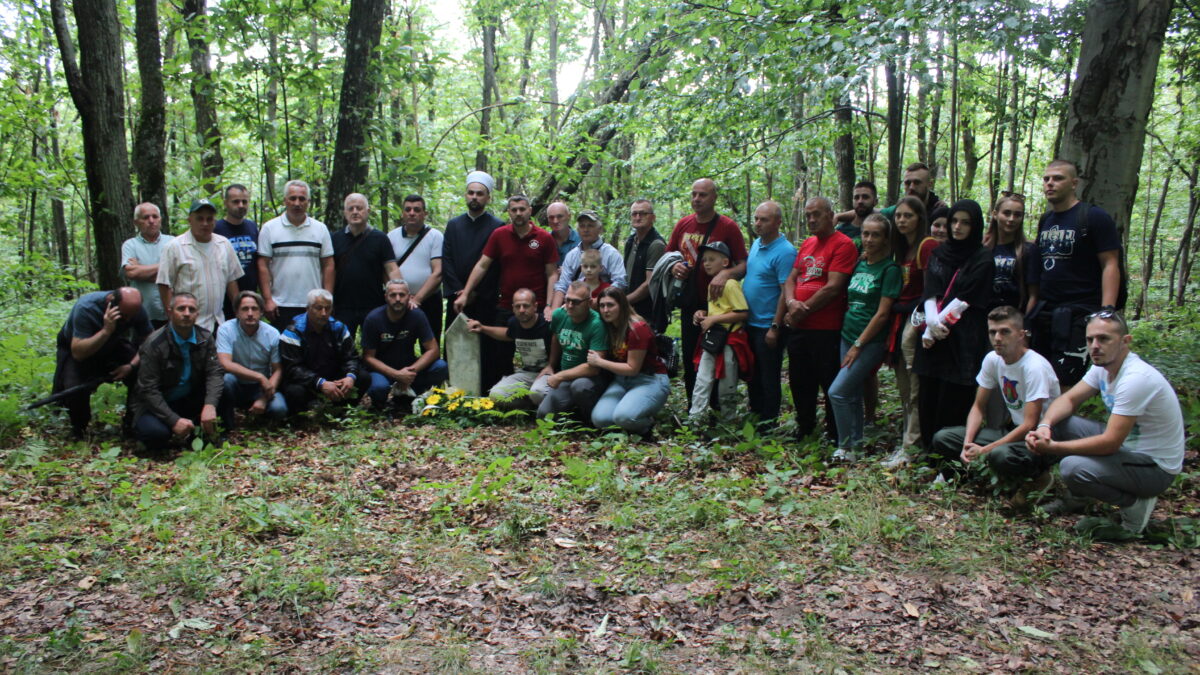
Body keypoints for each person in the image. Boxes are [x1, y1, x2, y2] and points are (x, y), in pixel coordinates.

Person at [1026, 310, 1184, 540]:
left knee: (1072, 467)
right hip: (1129, 448)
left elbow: (1110, 443)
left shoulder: (1135, 378)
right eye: (1090, 339)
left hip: (1155, 467)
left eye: (1104, 339)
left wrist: (1053, 448)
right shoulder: (1102, 367)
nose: (1095, 346)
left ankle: (1135, 503)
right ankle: (1078, 498)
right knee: (1059, 423)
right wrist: (1045, 425)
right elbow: (1069, 399)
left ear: (1125, 341)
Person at [931, 306, 1059, 503]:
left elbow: (1030, 424)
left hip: (1040, 439)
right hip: (1013, 432)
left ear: (1021, 335)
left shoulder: (1034, 367)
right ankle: (971, 475)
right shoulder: (993, 359)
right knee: (944, 437)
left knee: (999, 455)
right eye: (993, 332)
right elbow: (978, 407)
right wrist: (967, 442)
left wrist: (984, 450)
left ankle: (1038, 476)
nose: (997, 338)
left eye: (1005, 332)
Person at [913, 199, 995, 467]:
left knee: (954, 399)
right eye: (954, 221)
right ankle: (928, 454)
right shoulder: (939, 253)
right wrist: (932, 322)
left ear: (976, 226)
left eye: (966, 222)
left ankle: (950, 461)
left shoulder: (982, 258)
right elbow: (931, 290)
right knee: (928, 397)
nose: (958, 227)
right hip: (933, 338)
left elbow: (967, 297)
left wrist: (939, 326)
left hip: (963, 339)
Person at [1028, 159, 1123, 386]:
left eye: (1058, 178)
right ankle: (1036, 422)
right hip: (1046, 312)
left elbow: (1110, 264)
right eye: (1047, 179)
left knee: (1066, 380)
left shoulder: (1093, 217)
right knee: (1039, 377)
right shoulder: (1046, 220)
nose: (1050, 183)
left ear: (1074, 183)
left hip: (1080, 313)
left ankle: (1059, 422)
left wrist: (1106, 313)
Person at [456, 195, 558, 387]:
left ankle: (540, 394)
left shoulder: (543, 238)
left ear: (530, 210)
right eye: (514, 210)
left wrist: (550, 306)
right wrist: (466, 293)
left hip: (537, 307)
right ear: (508, 212)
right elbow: (482, 265)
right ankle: (505, 397)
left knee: (540, 355)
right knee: (501, 355)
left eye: (522, 209)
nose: (518, 213)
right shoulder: (499, 235)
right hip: (506, 305)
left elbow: (552, 274)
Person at [666, 178, 748, 404]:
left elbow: (743, 263)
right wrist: (674, 267)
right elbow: (669, 256)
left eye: (702, 195)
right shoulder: (683, 224)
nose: (696, 199)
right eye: (694, 194)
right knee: (692, 355)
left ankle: (718, 407)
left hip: (718, 305)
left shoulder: (728, 227)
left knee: (717, 356)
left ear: (714, 198)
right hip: (690, 302)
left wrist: (726, 273)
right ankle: (695, 407)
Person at [784, 196, 858, 441]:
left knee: (828, 381)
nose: (811, 219)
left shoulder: (843, 244)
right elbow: (792, 279)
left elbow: (833, 287)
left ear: (830, 214)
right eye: (807, 215)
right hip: (799, 327)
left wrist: (801, 308)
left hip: (826, 329)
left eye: (816, 214)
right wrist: (792, 302)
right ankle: (805, 427)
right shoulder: (807, 244)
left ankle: (835, 432)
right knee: (799, 380)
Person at [828, 215, 901, 461]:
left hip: (869, 342)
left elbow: (882, 314)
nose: (868, 239)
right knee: (852, 394)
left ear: (885, 239)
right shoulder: (860, 264)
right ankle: (856, 448)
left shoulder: (890, 270)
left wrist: (859, 345)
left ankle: (844, 446)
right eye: (866, 234)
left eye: (875, 234)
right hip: (846, 336)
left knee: (837, 392)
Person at [882, 196, 940, 468]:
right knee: (905, 390)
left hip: (916, 325)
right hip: (899, 322)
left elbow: (931, 290)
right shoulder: (901, 250)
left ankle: (912, 447)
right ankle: (906, 442)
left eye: (908, 216)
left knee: (916, 390)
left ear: (920, 218)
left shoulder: (926, 246)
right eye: (899, 216)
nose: (902, 220)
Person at [130, 293, 227, 452]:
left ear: (197, 313)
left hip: (187, 398)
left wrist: (210, 405)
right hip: (156, 404)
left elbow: (214, 372)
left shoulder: (204, 337)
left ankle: (212, 434)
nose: (187, 313)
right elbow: (148, 389)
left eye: (191, 309)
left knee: (225, 390)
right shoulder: (154, 344)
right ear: (170, 312)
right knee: (157, 434)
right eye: (181, 308)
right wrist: (173, 420)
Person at [52, 287, 153, 438]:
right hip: (80, 348)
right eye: (123, 315)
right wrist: (106, 330)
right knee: (74, 388)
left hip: (112, 344)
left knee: (143, 373)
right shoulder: (86, 308)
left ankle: (132, 424)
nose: (127, 320)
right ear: (110, 302)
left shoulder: (135, 310)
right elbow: (78, 353)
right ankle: (80, 430)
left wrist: (131, 366)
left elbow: (149, 342)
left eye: (131, 316)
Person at [441, 171, 506, 392]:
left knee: (486, 346)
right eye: (471, 193)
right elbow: (446, 261)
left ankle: (487, 390)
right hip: (458, 300)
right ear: (465, 195)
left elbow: (494, 265)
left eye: (480, 193)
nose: (474, 197)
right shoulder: (453, 225)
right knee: (455, 344)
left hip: (484, 300)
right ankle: (454, 390)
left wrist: (477, 292)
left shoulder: (498, 226)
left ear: (488, 197)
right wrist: (460, 292)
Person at [589, 287, 670, 436]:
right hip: (621, 380)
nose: (606, 310)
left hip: (649, 380)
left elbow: (633, 368)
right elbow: (586, 310)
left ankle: (648, 426)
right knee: (600, 419)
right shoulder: (608, 324)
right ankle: (627, 424)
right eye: (602, 305)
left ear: (622, 305)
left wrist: (599, 362)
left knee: (624, 417)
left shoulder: (637, 328)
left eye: (611, 305)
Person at [742, 200, 796, 426]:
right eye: (756, 218)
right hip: (750, 323)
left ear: (778, 222)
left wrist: (775, 326)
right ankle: (756, 413)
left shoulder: (785, 251)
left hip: (768, 325)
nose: (758, 223)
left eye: (764, 219)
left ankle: (769, 422)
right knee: (752, 374)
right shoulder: (756, 244)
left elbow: (786, 291)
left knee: (769, 376)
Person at [156, 199, 244, 332]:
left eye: (209, 219)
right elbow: (164, 284)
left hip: (218, 322)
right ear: (190, 220)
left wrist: (239, 310)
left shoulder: (224, 244)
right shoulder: (174, 247)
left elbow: (231, 280)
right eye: (200, 219)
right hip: (187, 322)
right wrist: (172, 315)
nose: (205, 223)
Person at [688, 241, 751, 425]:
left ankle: (728, 421)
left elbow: (742, 313)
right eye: (704, 260)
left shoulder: (730, 284)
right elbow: (718, 310)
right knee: (702, 378)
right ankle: (695, 419)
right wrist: (703, 314)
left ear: (725, 262)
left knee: (727, 382)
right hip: (713, 340)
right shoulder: (712, 284)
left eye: (711, 259)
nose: (706, 263)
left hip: (729, 341)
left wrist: (713, 320)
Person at [361, 280, 448, 413]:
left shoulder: (417, 315)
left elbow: (433, 350)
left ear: (409, 296)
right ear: (386, 297)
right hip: (382, 370)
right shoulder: (373, 319)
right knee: (379, 387)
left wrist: (409, 373)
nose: (397, 299)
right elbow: (368, 357)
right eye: (393, 295)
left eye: (402, 295)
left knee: (440, 366)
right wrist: (396, 374)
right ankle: (379, 406)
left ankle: (410, 399)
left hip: (409, 366)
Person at [257, 180, 335, 327]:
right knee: (284, 347)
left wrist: (327, 298)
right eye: (292, 198)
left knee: (313, 348)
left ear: (308, 202)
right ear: (285, 201)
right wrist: (267, 299)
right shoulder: (269, 228)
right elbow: (263, 265)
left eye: (302, 199)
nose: (297, 203)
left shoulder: (320, 229)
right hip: (280, 304)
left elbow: (328, 264)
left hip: (314, 304)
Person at [279, 289, 366, 413]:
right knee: (295, 392)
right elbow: (292, 368)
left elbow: (351, 357)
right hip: (307, 382)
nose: (324, 313)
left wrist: (350, 376)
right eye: (318, 308)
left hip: (333, 376)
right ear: (308, 309)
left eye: (328, 308)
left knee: (363, 377)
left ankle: (342, 410)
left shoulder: (338, 327)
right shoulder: (293, 332)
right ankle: (300, 419)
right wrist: (320, 383)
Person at [468, 288, 552, 410]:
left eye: (526, 306)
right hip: (524, 374)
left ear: (535, 306)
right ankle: (528, 408)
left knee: (537, 393)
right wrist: (483, 328)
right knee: (496, 395)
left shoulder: (546, 323)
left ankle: (545, 409)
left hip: (546, 374)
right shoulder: (514, 323)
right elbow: (507, 334)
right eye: (517, 306)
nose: (521, 310)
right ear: (512, 308)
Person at [331, 193, 401, 339]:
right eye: (351, 208)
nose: (355, 212)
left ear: (367, 211)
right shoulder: (335, 239)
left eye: (359, 208)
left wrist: (399, 293)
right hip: (343, 305)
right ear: (345, 213)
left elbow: (391, 268)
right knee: (341, 346)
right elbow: (329, 270)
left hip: (373, 305)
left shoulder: (380, 238)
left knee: (374, 347)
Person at [537, 281, 609, 423]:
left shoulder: (597, 324)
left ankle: (591, 422)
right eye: (567, 300)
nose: (570, 306)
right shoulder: (559, 315)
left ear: (588, 303)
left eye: (575, 302)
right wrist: (551, 365)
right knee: (543, 415)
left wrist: (560, 376)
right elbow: (556, 338)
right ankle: (575, 414)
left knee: (580, 387)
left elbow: (594, 368)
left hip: (590, 379)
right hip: (567, 377)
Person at [216, 291, 287, 426]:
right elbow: (225, 363)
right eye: (245, 309)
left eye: (254, 309)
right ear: (237, 312)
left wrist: (264, 399)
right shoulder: (225, 329)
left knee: (279, 409)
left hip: (261, 388)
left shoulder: (272, 333)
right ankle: (227, 425)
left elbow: (278, 370)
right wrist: (259, 376)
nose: (250, 313)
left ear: (261, 312)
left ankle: (258, 416)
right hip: (236, 384)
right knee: (225, 381)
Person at [387, 194, 444, 344]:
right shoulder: (391, 237)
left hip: (429, 300)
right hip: (398, 301)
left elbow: (438, 272)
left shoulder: (435, 236)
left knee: (431, 342)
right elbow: (386, 270)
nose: (412, 213)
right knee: (400, 344)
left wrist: (417, 299)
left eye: (417, 210)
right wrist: (403, 297)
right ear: (402, 213)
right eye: (408, 209)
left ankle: (432, 367)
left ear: (425, 214)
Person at [550, 210, 626, 317]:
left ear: (599, 229)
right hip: (574, 307)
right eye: (582, 226)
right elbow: (562, 285)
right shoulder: (572, 255)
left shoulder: (610, 254)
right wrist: (554, 312)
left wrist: (598, 301)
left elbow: (620, 282)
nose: (585, 230)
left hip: (603, 310)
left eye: (590, 226)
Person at [121, 203, 174, 327]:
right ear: (136, 222)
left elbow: (178, 273)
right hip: (143, 313)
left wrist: (141, 269)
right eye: (145, 217)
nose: (151, 221)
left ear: (160, 219)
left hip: (171, 311)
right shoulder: (130, 245)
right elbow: (131, 273)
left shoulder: (173, 242)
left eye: (155, 217)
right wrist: (165, 265)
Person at [985, 192, 1037, 311]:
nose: (1011, 219)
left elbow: (1033, 295)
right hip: (984, 318)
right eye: (1006, 213)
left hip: (1015, 318)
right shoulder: (982, 249)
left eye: (1017, 215)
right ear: (995, 214)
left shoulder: (1028, 250)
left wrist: (1026, 324)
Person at [214, 184, 260, 318]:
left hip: (250, 295)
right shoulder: (216, 228)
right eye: (236, 201)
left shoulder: (251, 226)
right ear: (226, 203)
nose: (241, 205)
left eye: (244, 201)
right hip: (223, 299)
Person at [622, 199, 666, 320]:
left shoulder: (656, 244)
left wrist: (624, 301)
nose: (638, 217)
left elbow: (649, 284)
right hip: (629, 309)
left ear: (653, 217)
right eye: (634, 214)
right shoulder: (631, 241)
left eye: (643, 214)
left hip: (647, 312)